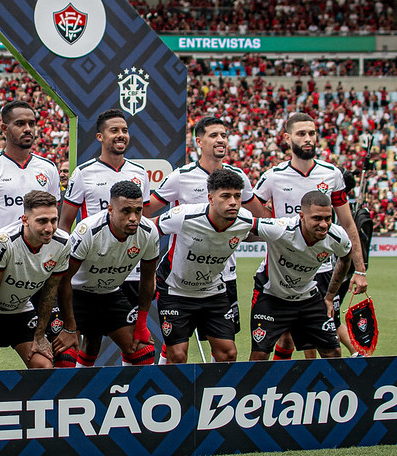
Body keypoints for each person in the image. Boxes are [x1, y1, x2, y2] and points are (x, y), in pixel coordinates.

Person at [146, 116, 268, 364]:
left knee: (224, 348)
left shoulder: (238, 177)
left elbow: (260, 215)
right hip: (182, 273)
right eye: (214, 135)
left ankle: (214, 394)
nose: (221, 140)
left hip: (225, 275)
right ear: (198, 141)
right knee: (176, 349)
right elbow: (148, 212)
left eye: (224, 135)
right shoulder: (181, 177)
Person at [253, 112, 367, 360]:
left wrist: (360, 269)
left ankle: (312, 390)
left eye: (312, 133)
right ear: (287, 138)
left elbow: (347, 223)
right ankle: (288, 388)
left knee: (318, 335)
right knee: (286, 336)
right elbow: (253, 209)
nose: (308, 139)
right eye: (301, 133)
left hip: (323, 270)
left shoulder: (332, 174)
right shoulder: (273, 176)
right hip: (285, 266)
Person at [53, 181, 159, 367]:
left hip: (110, 294)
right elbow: (64, 279)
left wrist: (142, 324)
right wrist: (69, 327)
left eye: (138, 211)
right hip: (76, 295)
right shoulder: (88, 231)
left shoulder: (149, 232)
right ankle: (77, 393)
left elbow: (148, 279)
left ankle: (130, 395)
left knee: (143, 351)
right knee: (65, 356)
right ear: (110, 209)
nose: (133, 217)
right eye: (126, 211)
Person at [154, 169, 255, 364]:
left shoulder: (245, 220)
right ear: (210, 197)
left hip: (212, 292)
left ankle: (216, 392)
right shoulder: (184, 215)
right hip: (175, 291)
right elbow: (149, 229)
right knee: (177, 355)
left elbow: (270, 232)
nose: (233, 202)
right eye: (225, 196)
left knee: (228, 353)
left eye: (237, 196)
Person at [248, 191, 353, 360]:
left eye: (328, 218)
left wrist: (330, 296)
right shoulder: (281, 228)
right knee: (260, 354)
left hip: (308, 297)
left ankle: (333, 387)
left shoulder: (337, 236)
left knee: (333, 353)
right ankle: (260, 387)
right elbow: (244, 225)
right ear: (302, 216)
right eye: (317, 218)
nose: (324, 224)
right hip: (271, 295)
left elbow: (346, 258)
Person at [0, 190, 71, 370]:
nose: (49, 228)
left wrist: (40, 336)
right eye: (42, 221)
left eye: (53, 220)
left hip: (20, 310)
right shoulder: (4, 241)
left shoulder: (63, 243)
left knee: (43, 366)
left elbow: (50, 292)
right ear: (25, 220)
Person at [0, 100, 61, 232]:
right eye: (20, 124)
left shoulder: (49, 168)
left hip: (39, 251)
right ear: (4, 128)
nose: (28, 129)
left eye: (31, 124)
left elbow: (53, 214)